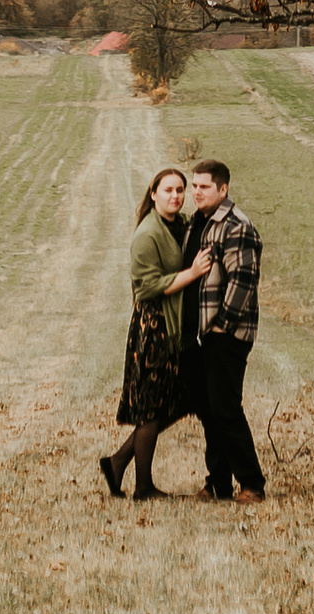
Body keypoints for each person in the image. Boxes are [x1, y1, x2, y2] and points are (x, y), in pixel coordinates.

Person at [100, 166, 210, 499]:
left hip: (175, 327)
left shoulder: (179, 225)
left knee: (177, 402)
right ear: (153, 194)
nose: (175, 196)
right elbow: (147, 288)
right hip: (154, 329)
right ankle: (143, 487)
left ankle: (118, 462)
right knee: (151, 408)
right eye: (168, 190)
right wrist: (192, 274)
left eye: (180, 190)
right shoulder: (147, 234)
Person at [183, 160, 266, 502]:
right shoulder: (200, 223)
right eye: (195, 186)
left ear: (223, 189)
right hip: (204, 332)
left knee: (226, 407)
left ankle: (252, 484)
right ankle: (217, 483)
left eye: (204, 186)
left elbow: (243, 279)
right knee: (210, 409)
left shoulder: (236, 226)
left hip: (227, 333)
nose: (197, 192)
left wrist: (221, 326)